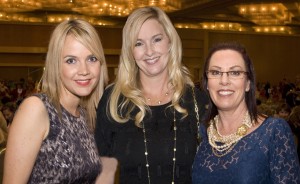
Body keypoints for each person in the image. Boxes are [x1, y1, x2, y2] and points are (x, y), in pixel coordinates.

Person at [94, 6, 208, 184]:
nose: (149, 51)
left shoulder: (197, 101)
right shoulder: (114, 102)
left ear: (169, 42)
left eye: (156, 40)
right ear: (130, 52)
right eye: (138, 43)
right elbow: (101, 172)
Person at [3, 19, 117, 183]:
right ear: (56, 65)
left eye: (92, 59)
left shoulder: (85, 114)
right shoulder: (36, 109)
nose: (84, 70)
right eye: (71, 60)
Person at [192, 42, 300, 183]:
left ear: (248, 83)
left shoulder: (273, 132)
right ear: (207, 83)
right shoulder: (201, 133)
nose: (224, 81)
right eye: (216, 72)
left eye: (235, 72)